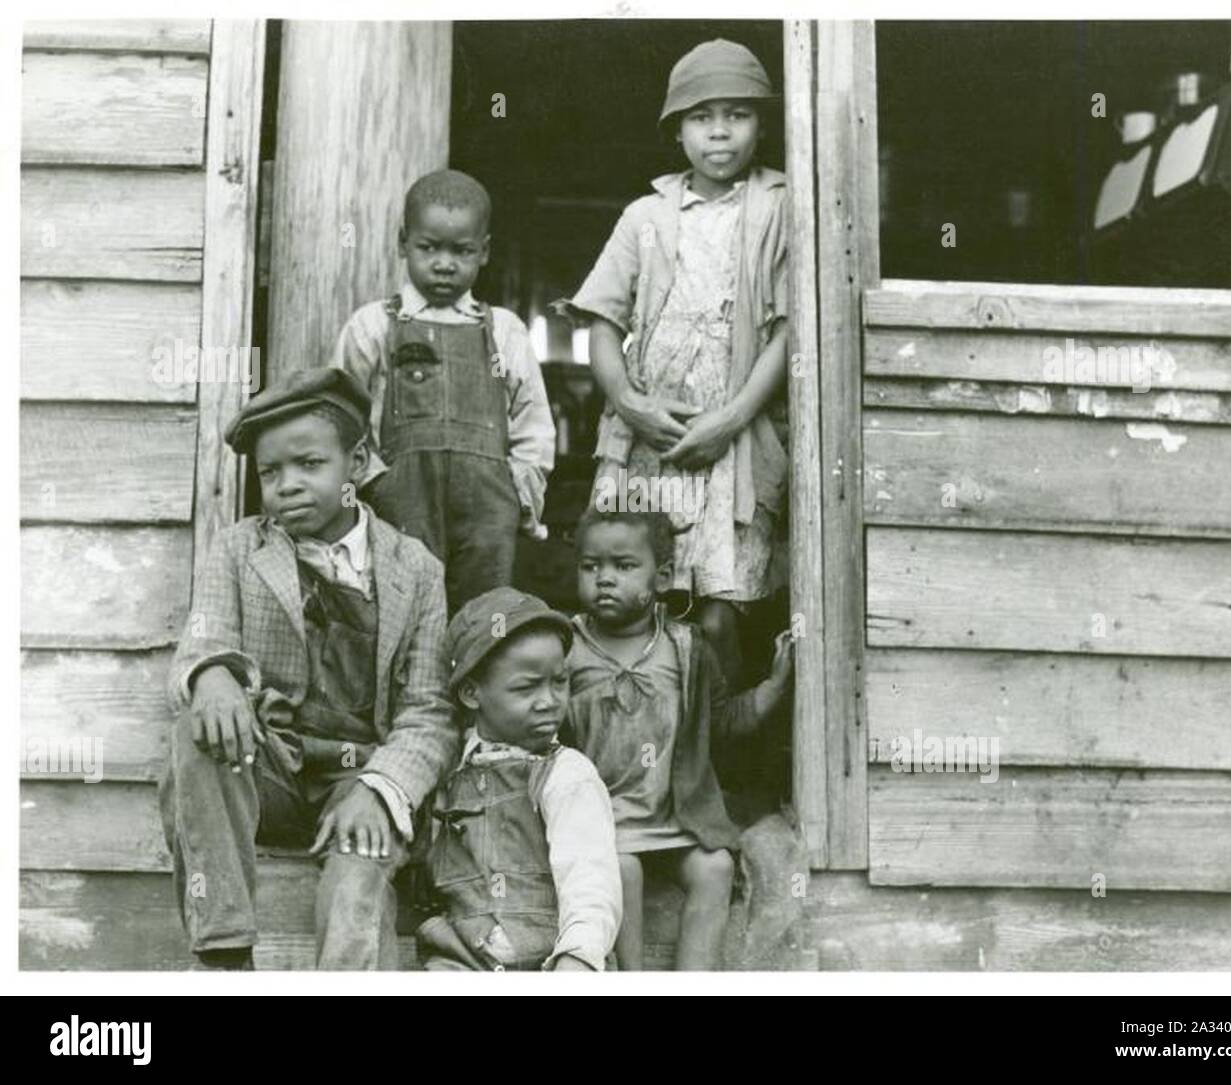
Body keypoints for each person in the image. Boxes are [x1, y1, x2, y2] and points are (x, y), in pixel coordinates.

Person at [160, 367, 459, 970]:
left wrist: (382, 789)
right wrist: (213, 675)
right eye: (270, 473)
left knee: (360, 868)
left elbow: (430, 710)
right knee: (194, 736)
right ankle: (225, 952)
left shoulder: (415, 569)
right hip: (270, 767)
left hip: (358, 775)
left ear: (356, 463)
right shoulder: (242, 548)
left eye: (309, 465)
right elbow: (203, 638)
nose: (286, 486)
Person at [557, 39, 790, 690]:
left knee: (719, 611)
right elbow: (602, 323)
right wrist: (633, 406)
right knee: (631, 595)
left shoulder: (779, 208)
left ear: (762, 124)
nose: (720, 131)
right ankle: (627, 753)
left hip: (733, 444)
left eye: (737, 114)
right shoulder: (646, 217)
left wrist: (731, 420)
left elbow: (789, 333)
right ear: (677, 131)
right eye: (701, 117)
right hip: (646, 442)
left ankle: (709, 767)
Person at [561, 508, 793, 969]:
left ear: (663, 575)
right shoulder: (567, 646)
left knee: (717, 867)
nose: (604, 579)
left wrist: (773, 687)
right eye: (591, 567)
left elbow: (723, 722)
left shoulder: (685, 648)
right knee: (620, 870)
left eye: (624, 567)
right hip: (602, 824)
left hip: (675, 820)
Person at [332, 168, 555, 615]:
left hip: (488, 508)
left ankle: (473, 686)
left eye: (462, 251)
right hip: (401, 501)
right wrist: (374, 481)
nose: (444, 264)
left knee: (484, 614)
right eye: (429, 248)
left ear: (484, 251)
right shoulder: (374, 325)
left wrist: (517, 493)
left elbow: (533, 422)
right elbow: (340, 415)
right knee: (402, 609)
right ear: (402, 244)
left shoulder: (505, 331)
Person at [418, 587, 621, 971]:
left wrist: (577, 956)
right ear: (471, 693)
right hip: (465, 957)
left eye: (559, 682)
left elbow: (590, 878)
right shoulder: (450, 773)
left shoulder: (566, 774)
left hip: (552, 959)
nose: (548, 700)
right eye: (526, 687)